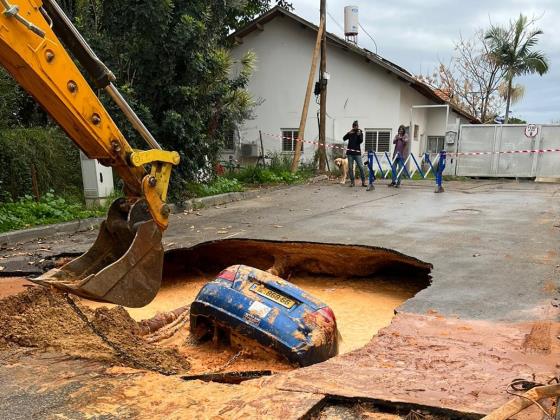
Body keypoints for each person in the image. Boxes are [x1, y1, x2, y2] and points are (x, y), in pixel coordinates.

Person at [343, 121, 366, 187]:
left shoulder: (360, 132)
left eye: (357, 126)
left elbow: (360, 141)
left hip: (357, 153)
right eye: (355, 126)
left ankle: (363, 182)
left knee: (361, 167)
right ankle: (352, 182)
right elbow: (344, 138)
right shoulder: (350, 133)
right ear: (353, 126)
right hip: (350, 153)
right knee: (350, 168)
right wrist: (348, 133)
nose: (356, 127)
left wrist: (359, 135)